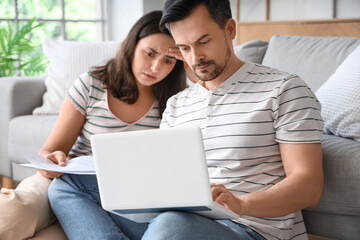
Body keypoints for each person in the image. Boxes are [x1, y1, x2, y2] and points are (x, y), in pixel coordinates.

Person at [48, 1, 324, 240]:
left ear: (230, 29)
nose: (195, 58)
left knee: (170, 225)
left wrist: (242, 204)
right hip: (178, 221)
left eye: (203, 41)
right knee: (69, 185)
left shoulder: (283, 88)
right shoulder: (178, 104)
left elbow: (308, 185)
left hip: (251, 228)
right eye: (184, 48)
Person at [0, 10, 186, 240]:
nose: (156, 67)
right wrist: (52, 161)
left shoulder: (176, 100)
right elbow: (51, 151)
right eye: (149, 53)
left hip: (137, 196)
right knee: (30, 203)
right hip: (78, 185)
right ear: (132, 45)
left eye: (168, 60)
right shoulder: (92, 84)